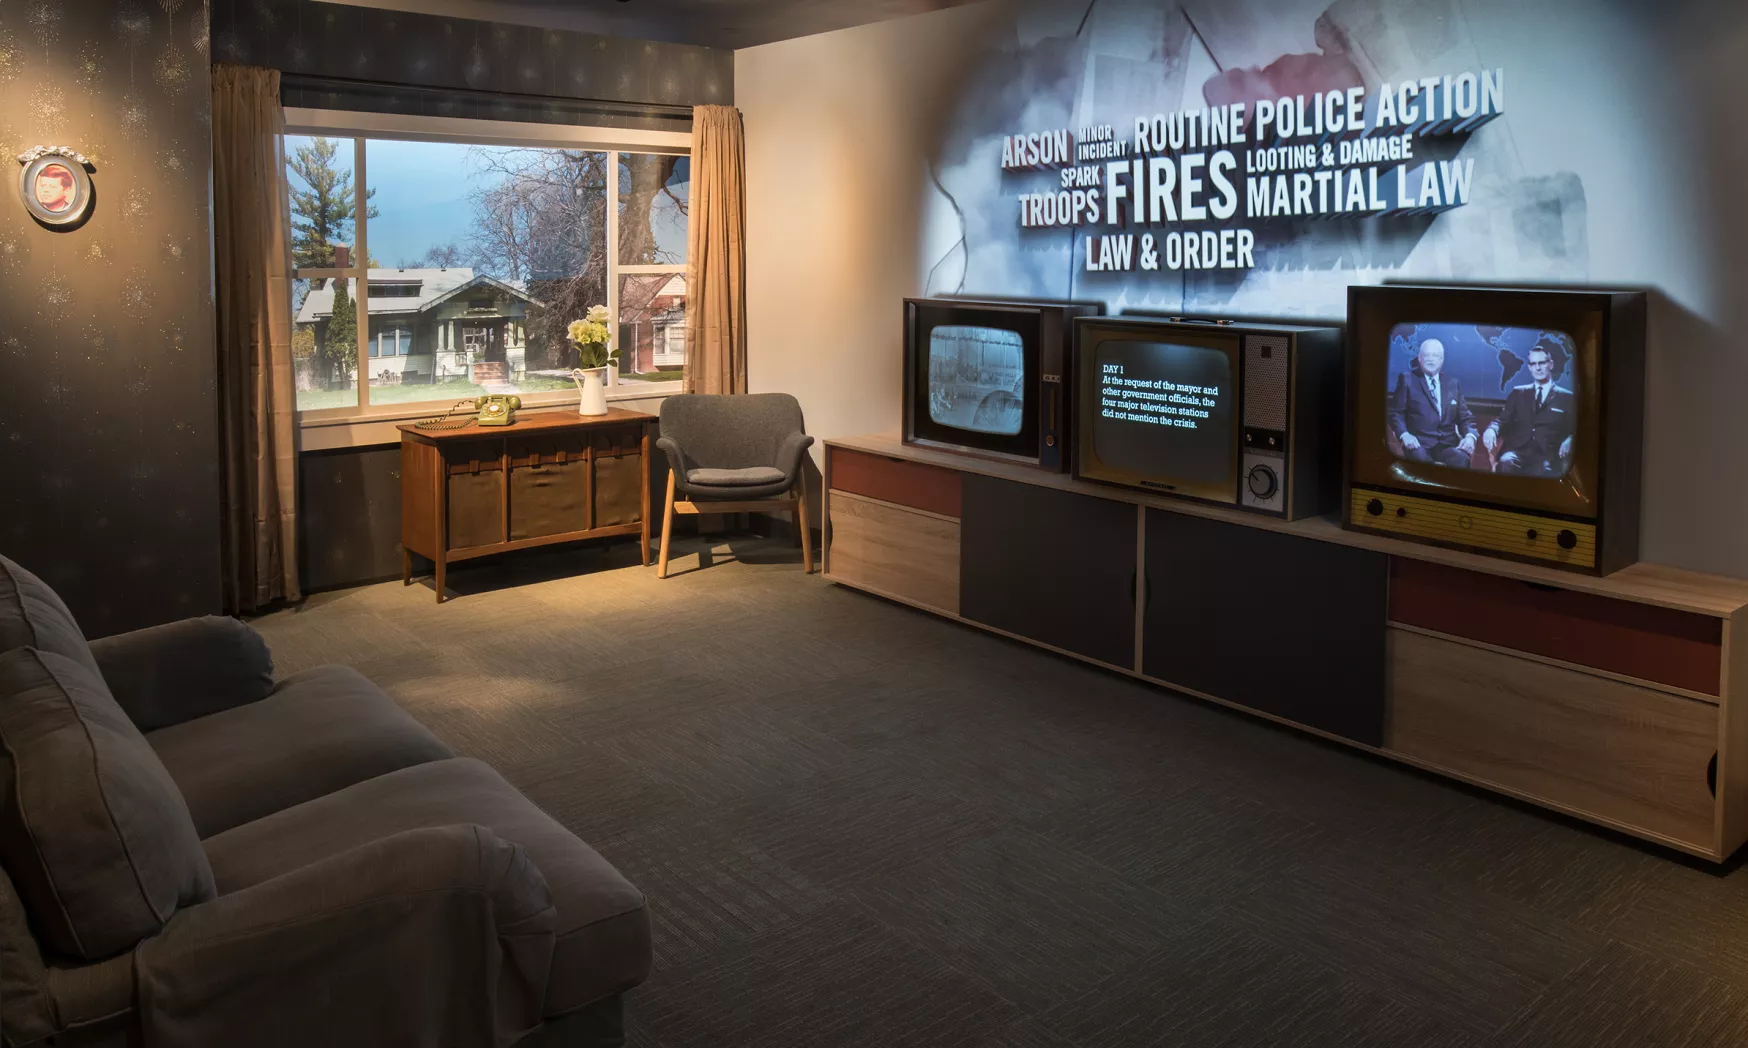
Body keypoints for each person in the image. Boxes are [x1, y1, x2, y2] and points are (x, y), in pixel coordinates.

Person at [1484, 343, 1575, 476]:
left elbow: (1576, 428)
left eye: (1541, 363)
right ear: (1529, 367)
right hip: (1518, 452)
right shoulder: (1518, 393)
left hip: (1548, 455)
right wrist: (1492, 429)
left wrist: (1571, 439)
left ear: (1551, 365)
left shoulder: (1566, 397)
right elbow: (1502, 420)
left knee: (1544, 471)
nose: (1537, 368)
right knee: (1506, 462)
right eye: (1533, 364)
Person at [1385, 337, 1478, 468]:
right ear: (1419, 358)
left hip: (1447, 444)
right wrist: (1404, 435)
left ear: (1442, 359)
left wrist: (1470, 436)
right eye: (1426, 355)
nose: (1431, 359)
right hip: (1419, 443)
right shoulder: (1407, 379)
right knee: (1422, 463)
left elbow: (1465, 417)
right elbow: (1396, 413)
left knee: (1462, 460)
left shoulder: (1453, 383)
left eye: (1435, 355)